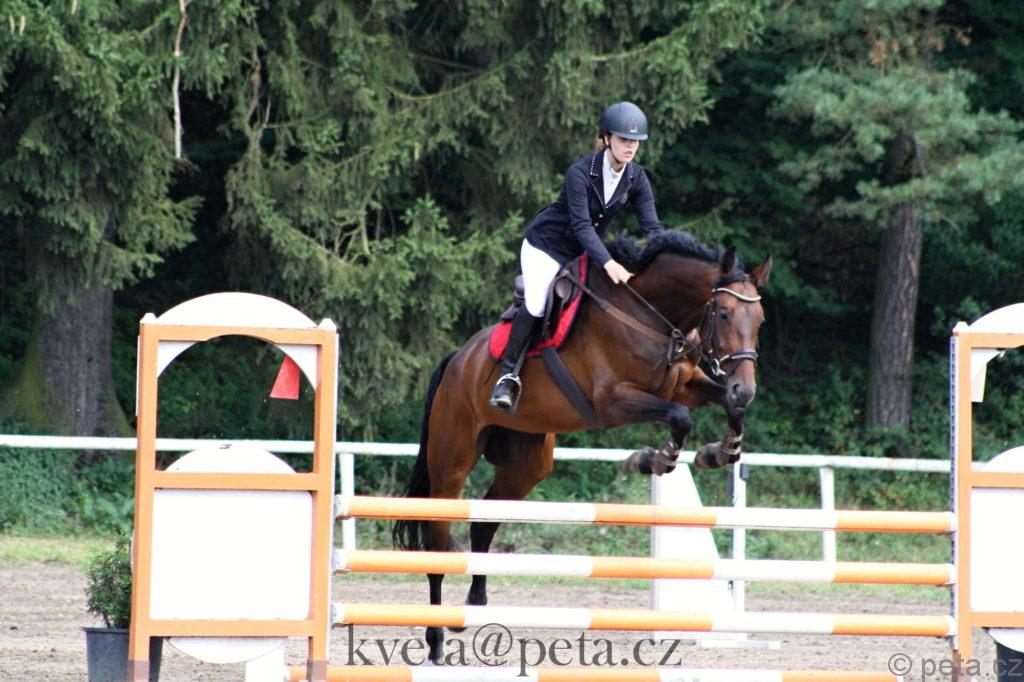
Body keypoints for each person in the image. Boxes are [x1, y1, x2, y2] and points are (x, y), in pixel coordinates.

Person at [489, 101, 666, 412]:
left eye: (636, 141)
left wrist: (667, 257)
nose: (631, 147)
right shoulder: (580, 173)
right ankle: (508, 377)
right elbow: (582, 226)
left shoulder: (636, 178)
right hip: (546, 247)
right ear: (606, 137)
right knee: (537, 303)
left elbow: (653, 228)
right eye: (624, 139)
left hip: (584, 252)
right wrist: (609, 263)